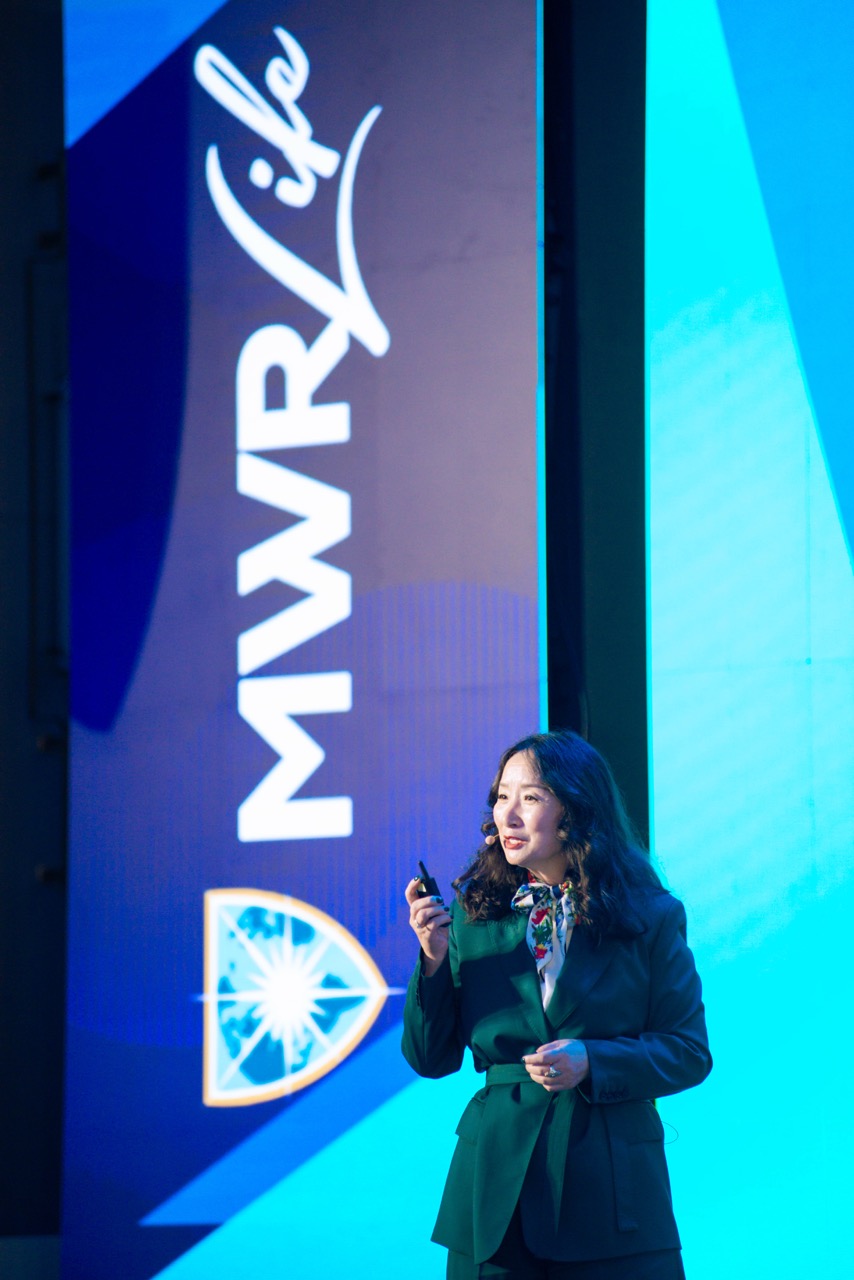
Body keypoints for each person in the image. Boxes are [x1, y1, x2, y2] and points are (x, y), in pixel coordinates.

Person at [402, 730, 711, 1279]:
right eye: (502, 796)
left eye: (530, 797)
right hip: (495, 1201)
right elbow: (431, 1058)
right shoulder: (474, 914)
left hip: (614, 1198)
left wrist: (592, 1061)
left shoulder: (650, 916)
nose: (508, 815)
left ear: (576, 809)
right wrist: (432, 958)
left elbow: (688, 1052)